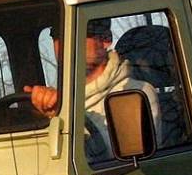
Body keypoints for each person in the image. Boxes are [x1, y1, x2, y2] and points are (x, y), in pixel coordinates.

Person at [24, 18, 161, 163]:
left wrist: (64, 118)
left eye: (76, 32)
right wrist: (47, 117)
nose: (65, 43)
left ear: (105, 39)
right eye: (57, 35)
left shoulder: (136, 92)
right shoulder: (54, 101)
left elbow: (122, 163)